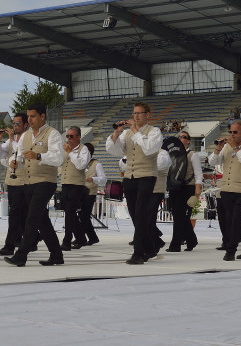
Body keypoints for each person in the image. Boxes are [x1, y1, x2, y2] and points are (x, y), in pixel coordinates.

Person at [3, 102, 66, 267]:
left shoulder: (52, 134)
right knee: (41, 220)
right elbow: (19, 156)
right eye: (28, 116)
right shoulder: (26, 136)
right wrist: (14, 162)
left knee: (32, 217)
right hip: (28, 182)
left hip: (46, 181)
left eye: (33, 116)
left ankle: (21, 254)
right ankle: (56, 255)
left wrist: (39, 156)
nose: (29, 120)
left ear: (42, 116)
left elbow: (58, 158)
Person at [105, 102, 164, 264]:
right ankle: (151, 247)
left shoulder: (155, 132)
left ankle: (138, 252)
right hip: (130, 176)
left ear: (147, 114)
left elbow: (149, 149)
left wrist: (136, 131)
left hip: (146, 175)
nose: (136, 116)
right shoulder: (127, 134)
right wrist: (116, 133)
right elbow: (113, 150)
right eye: (134, 113)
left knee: (141, 212)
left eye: (139, 113)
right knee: (134, 214)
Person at [209, 119, 241, 261]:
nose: (232, 135)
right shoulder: (226, 147)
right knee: (234, 220)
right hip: (226, 188)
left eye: (235, 132)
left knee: (235, 219)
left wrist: (236, 149)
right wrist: (218, 148)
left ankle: (231, 250)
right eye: (230, 132)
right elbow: (213, 161)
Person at [0, 112, 31, 257]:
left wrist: (11, 140)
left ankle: (10, 245)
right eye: (14, 123)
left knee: (15, 214)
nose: (14, 126)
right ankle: (30, 238)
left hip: (24, 180)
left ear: (25, 125)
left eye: (18, 123)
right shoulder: (11, 140)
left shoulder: (28, 138)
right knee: (20, 214)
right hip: (12, 180)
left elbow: (21, 151)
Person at [166, 131, 203, 252]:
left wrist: (198, 190)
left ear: (188, 141)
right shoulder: (173, 155)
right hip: (175, 187)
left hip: (188, 187)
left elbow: (198, 173)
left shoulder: (193, 155)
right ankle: (191, 239)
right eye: (179, 137)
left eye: (184, 137)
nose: (181, 139)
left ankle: (175, 245)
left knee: (179, 216)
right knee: (178, 215)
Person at [58, 126, 92, 250]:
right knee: (68, 212)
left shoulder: (83, 149)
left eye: (71, 136)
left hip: (77, 184)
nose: (69, 138)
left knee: (70, 212)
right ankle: (81, 237)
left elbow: (81, 165)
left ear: (78, 137)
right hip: (65, 183)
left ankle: (67, 240)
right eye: (67, 136)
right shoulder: (66, 149)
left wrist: (70, 152)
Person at [79, 142, 105, 246]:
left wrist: (93, 179)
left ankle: (80, 237)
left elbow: (103, 179)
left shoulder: (96, 164)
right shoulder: (80, 163)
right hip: (80, 192)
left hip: (90, 192)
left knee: (84, 216)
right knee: (82, 216)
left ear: (89, 152)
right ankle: (92, 237)